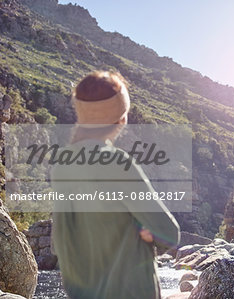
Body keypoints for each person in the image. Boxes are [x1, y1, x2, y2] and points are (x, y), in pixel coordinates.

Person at [50, 71, 180, 299]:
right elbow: (169, 233)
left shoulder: (61, 165)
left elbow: (61, 240)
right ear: (121, 117)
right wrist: (144, 229)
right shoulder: (118, 163)